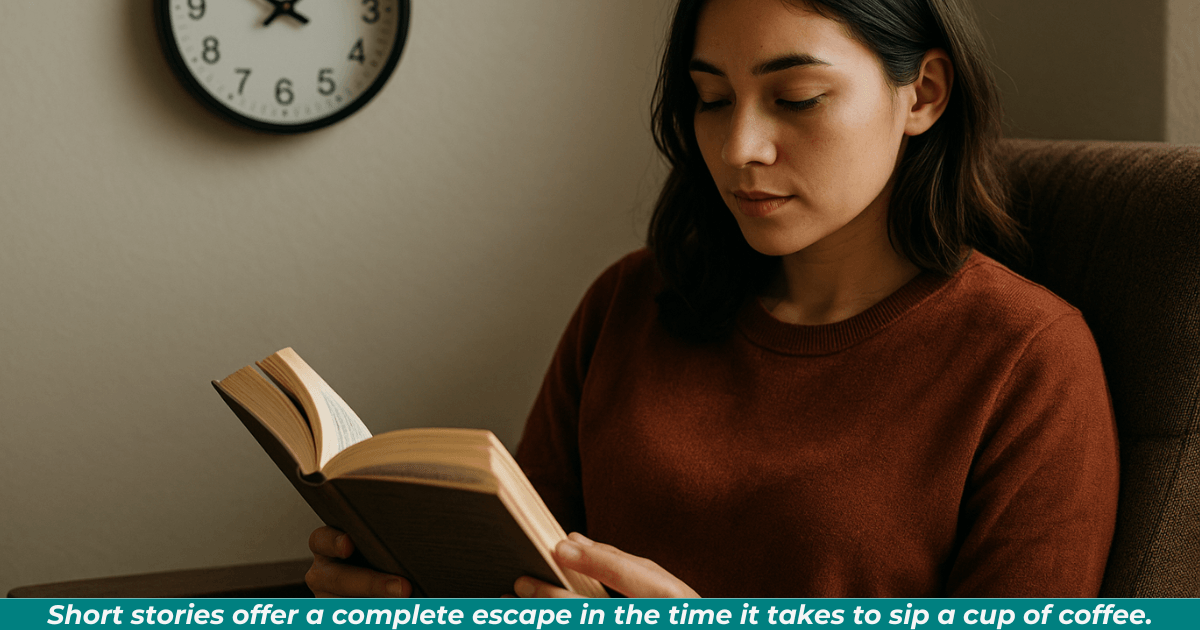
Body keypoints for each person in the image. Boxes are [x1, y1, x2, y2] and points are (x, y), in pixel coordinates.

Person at [306, 0, 1118, 598]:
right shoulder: (629, 303)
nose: (738, 149)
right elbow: (520, 581)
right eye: (712, 98)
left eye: (796, 97)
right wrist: (411, 597)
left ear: (925, 94)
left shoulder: (1027, 358)